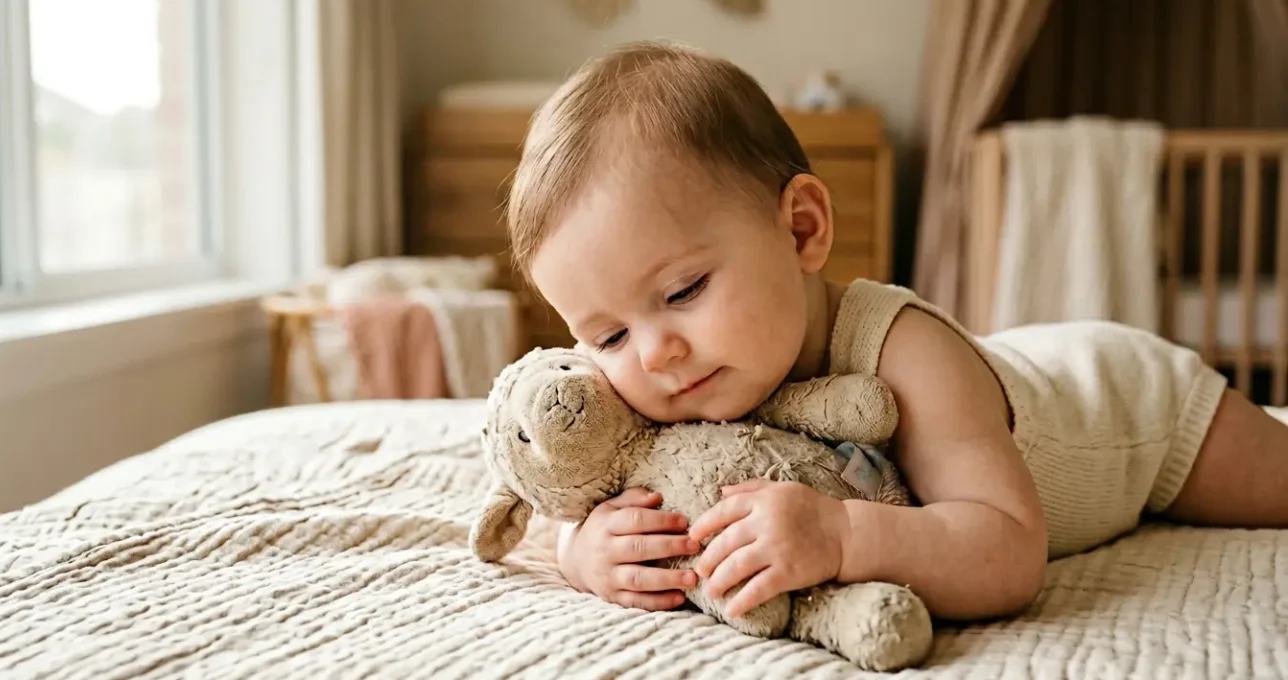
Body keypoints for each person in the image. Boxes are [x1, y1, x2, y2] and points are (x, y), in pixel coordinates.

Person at [501, 40, 1288, 622]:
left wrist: (844, 533)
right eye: (605, 338)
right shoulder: (661, 375)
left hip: (1130, 410)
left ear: (803, 229)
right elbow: (553, 499)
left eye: (685, 290)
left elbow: (1010, 551)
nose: (654, 353)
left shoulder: (905, 352)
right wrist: (584, 553)